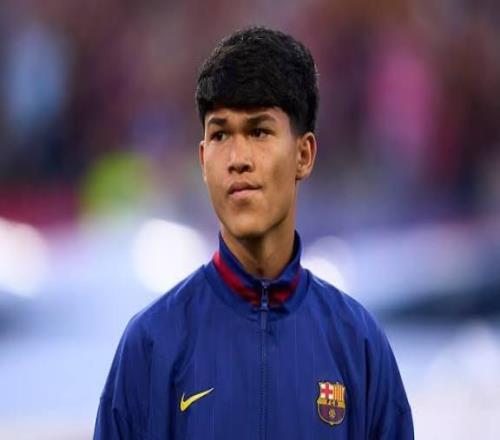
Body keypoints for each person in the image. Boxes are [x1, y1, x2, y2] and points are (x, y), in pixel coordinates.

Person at [93, 26, 414, 439]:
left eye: (259, 131)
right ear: (203, 159)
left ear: (304, 154)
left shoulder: (359, 345)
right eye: (220, 134)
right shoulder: (152, 345)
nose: (238, 158)